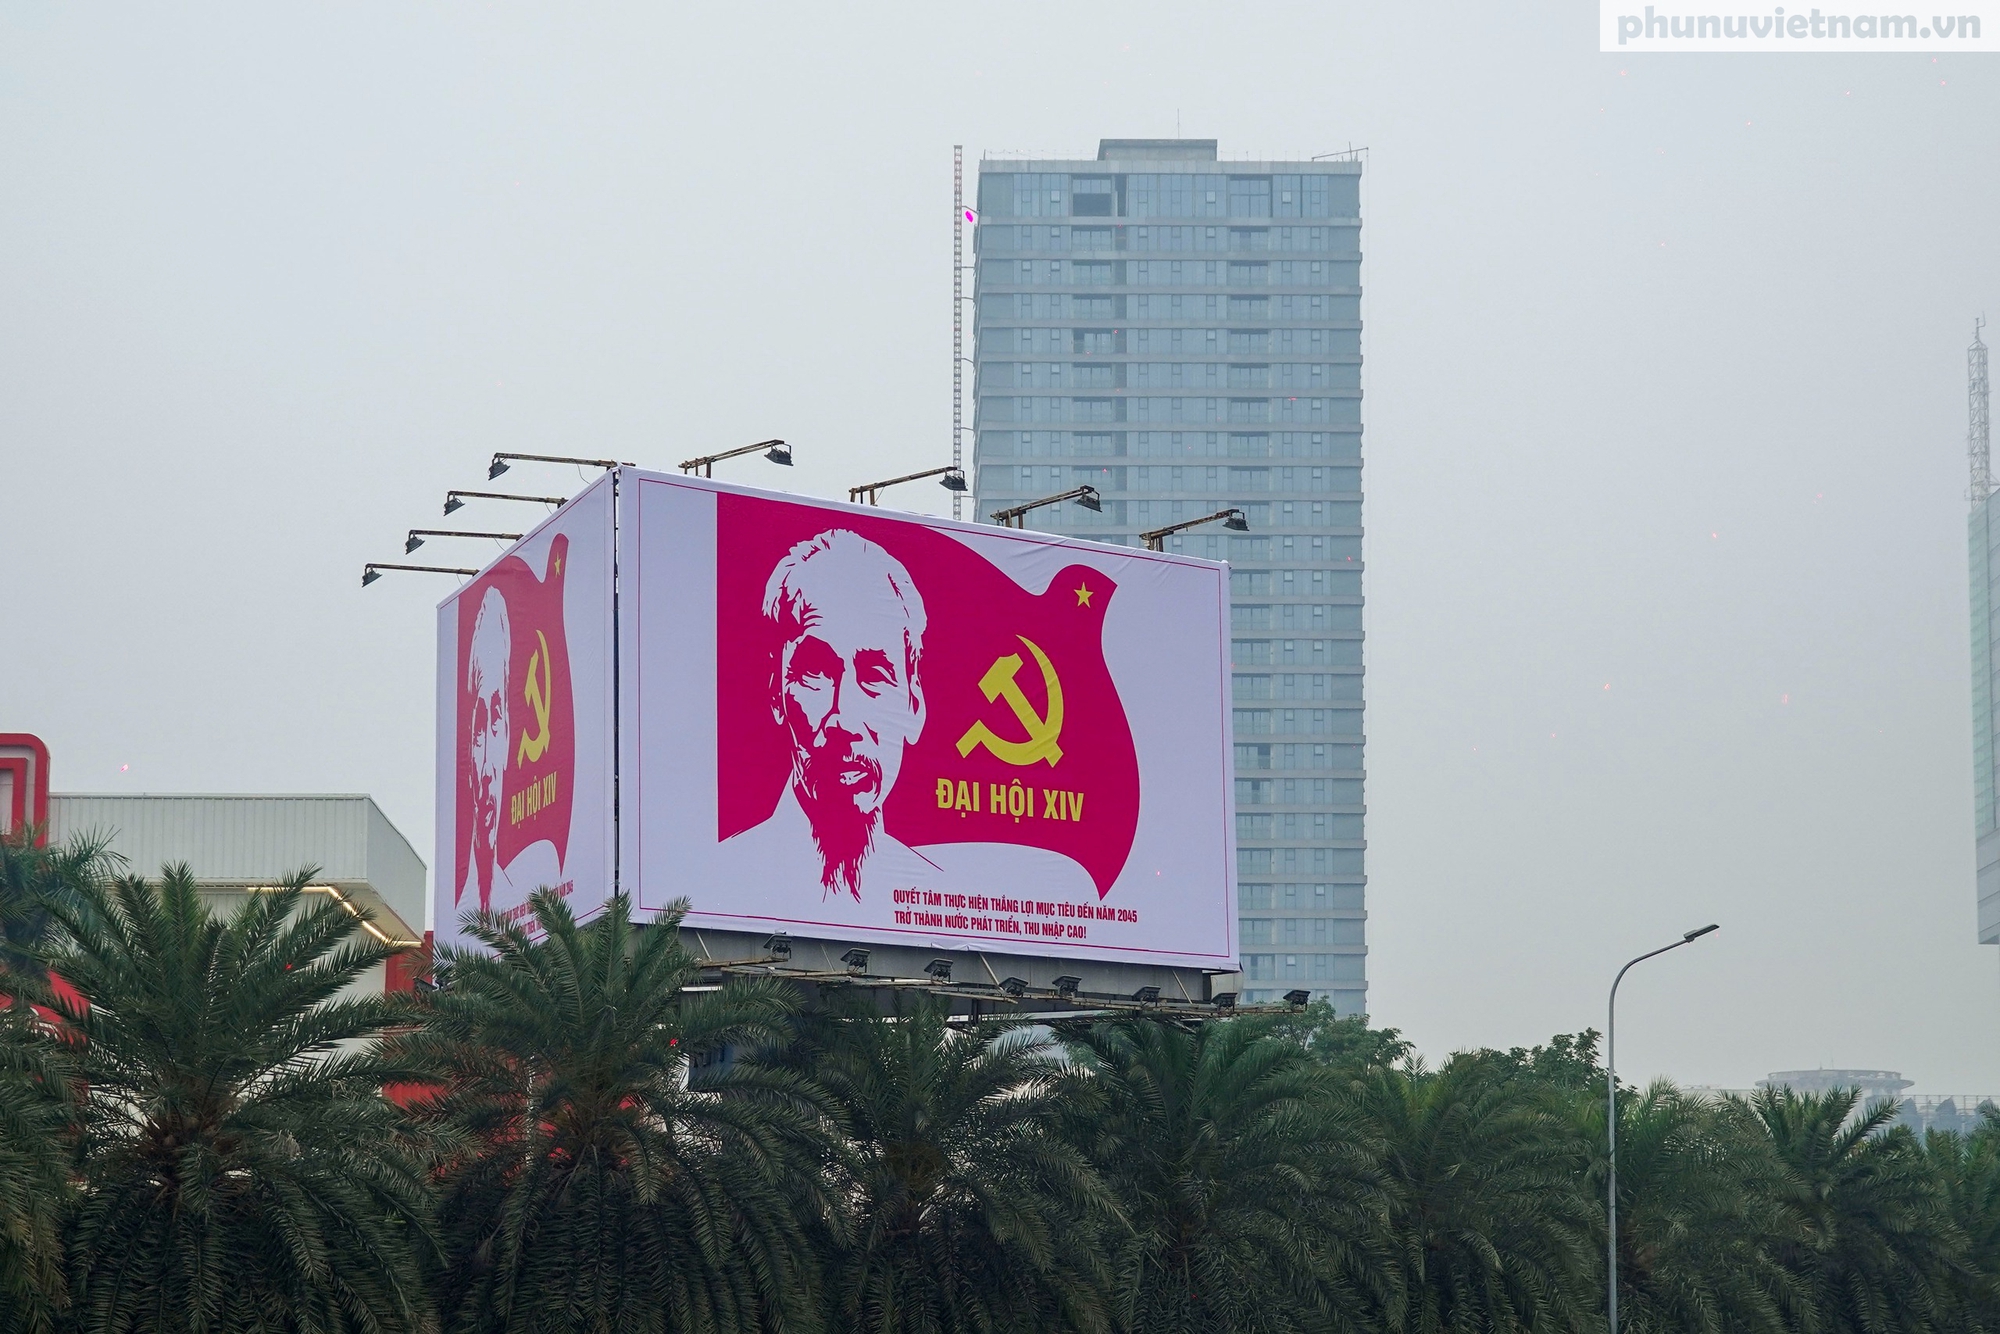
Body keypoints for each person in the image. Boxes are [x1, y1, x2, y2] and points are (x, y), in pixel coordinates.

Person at [721, 529, 945, 902]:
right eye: (815, 671)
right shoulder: (717, 884)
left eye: (875, 675)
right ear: (776, 690)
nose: (845, 720)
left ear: (914, 702)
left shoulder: (937, 902)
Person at [460, 586, 513, 913]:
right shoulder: (457, 914)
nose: (484, 771)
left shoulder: (527, 896)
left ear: (507, 733)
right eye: (478, 730)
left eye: (494, 719)